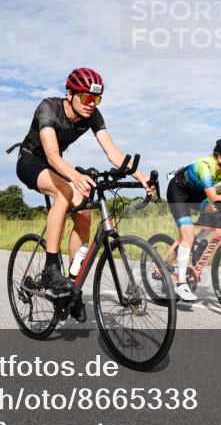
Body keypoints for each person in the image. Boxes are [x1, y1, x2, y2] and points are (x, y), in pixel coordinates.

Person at [12, 68, 154, 322]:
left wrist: (140, 176)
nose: (92, 105)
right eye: (87, 98)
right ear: (70, 94)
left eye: (96, 99)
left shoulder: (92, 115)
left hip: (56, 165)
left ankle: (71, 288)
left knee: (85, 211)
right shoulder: (48, 108)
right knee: (65, 192)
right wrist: (75, 177)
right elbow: (53, 156)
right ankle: (51, 269)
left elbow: (113, 153)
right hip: (31, 161)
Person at [165, 138, 221, 301]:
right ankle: (180, 284)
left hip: (197, 195)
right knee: (187, 235)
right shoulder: (206, 166)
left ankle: (198, 241)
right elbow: (214, 196)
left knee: (216, 215)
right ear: (220, 158)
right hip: (178, 191)